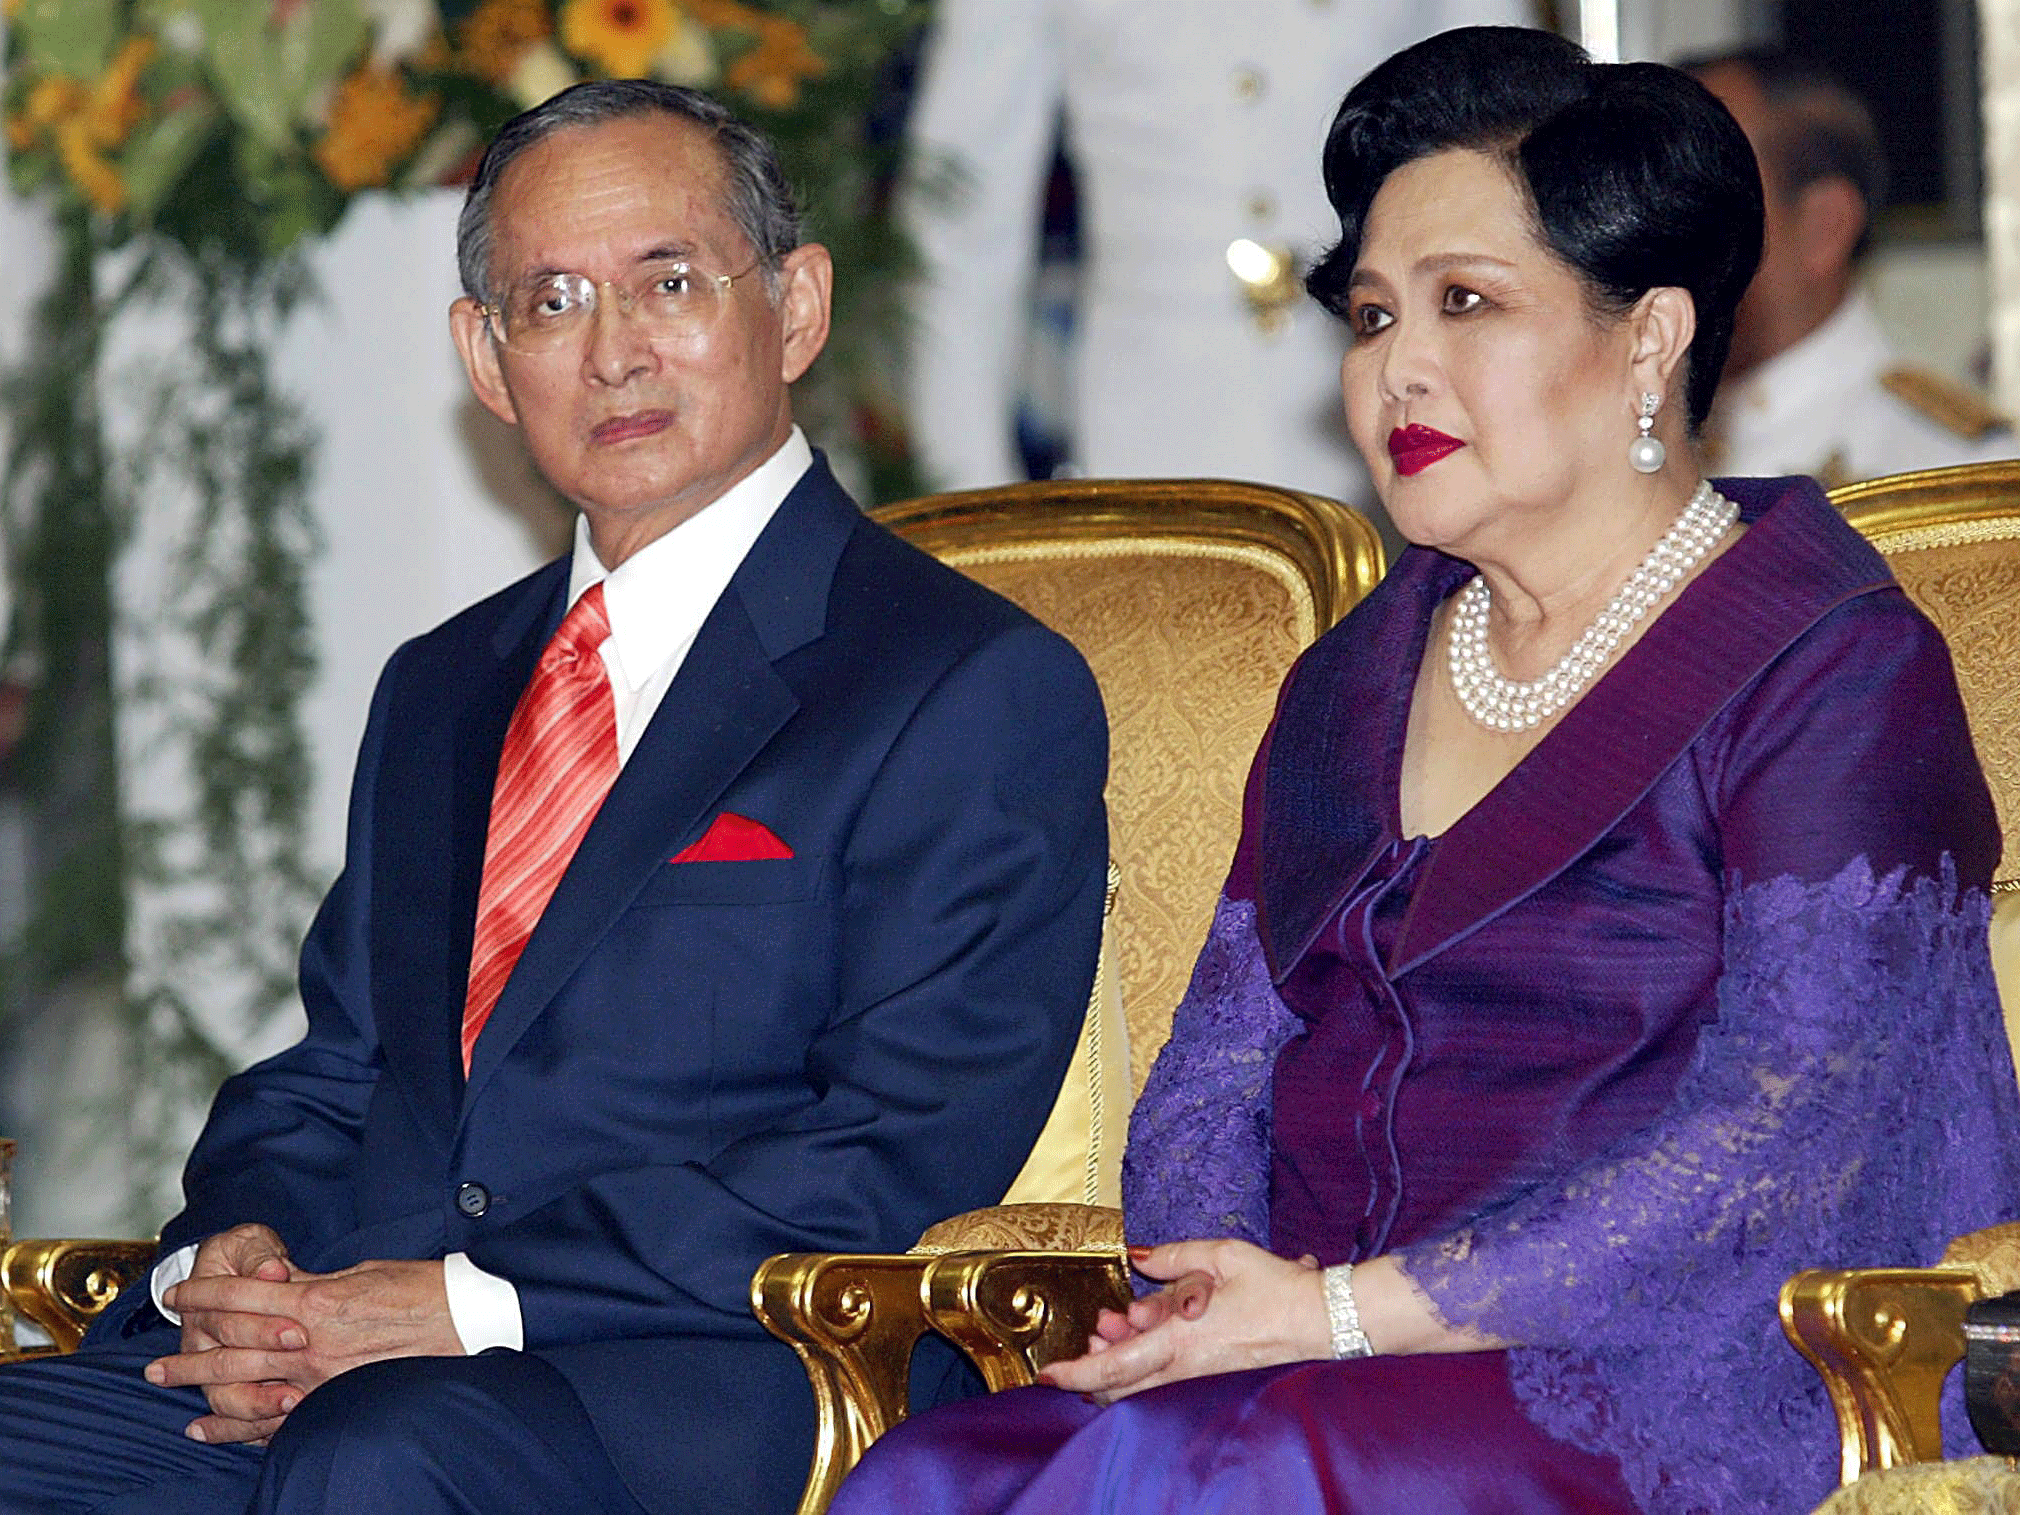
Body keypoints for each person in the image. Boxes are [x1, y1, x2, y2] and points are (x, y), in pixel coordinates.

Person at [831, 27, 2020, 1515]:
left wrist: (1341, 1314)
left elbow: (1787, 1140)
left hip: (1676, 1367)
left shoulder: (1827, 662)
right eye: (1376, 312)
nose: (1399, 363)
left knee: (1234, 1466)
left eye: (1468, 302)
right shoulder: (1356, 675)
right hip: (1318, 1368)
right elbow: (1216, 1071)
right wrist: (1226, 1297)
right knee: (938, 1467)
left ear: (1648, 336)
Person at [0, 81, 1109, 1515]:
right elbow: (341, 1065)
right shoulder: (445, 682)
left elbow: (892, 1143)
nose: (615, 352)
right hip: (351, 1354)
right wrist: (241, 1252)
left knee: (380, 1450)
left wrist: (464, 1301)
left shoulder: (960, 681)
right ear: (484, 351)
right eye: (551, 300)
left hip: (707, 1369)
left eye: (671, 282)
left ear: (798, 305)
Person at [898, 0, 1531, 528]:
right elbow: (956, 231)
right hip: (1148, 432)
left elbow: (1509, 147)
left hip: (1405, 414)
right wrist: (979, 511)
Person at [1686, 48, 2012, 484]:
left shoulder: (1951, 472)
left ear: (1824, 228)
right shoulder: (1626, 439)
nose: (1669, 229)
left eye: (1704, 196)